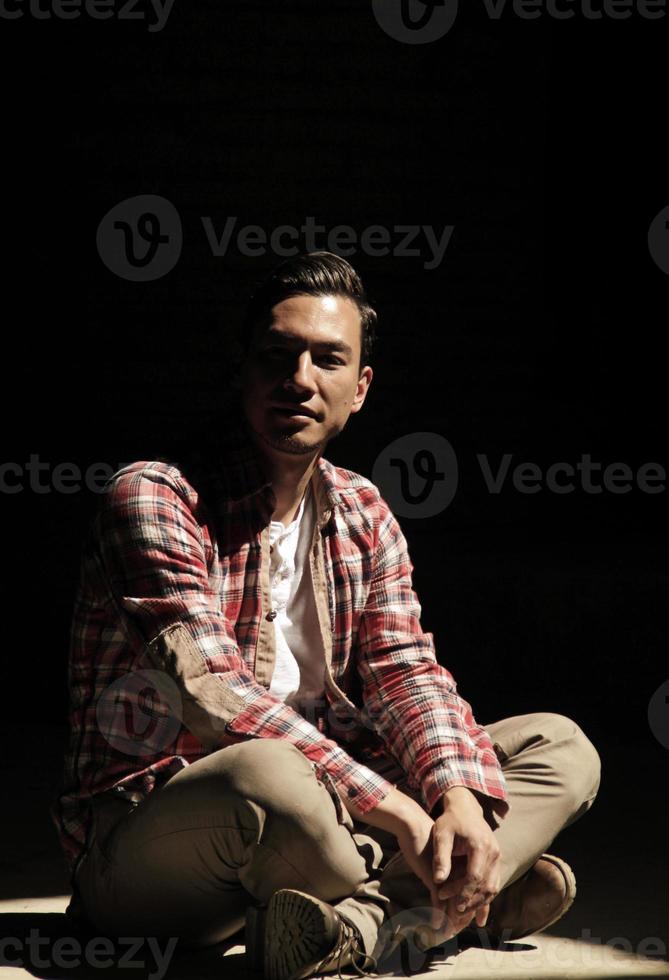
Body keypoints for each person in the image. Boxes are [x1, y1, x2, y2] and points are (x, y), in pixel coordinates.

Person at [51, 251, 601, 980]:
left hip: (333, 814)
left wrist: (455, 796)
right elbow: (211, 694)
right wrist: (403, 815)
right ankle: (457, 903)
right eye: (277, 356)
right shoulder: (153, 497)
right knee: (268, 772)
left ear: (360, 388)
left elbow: (406, 672)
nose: (299, 380)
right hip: (164, 833)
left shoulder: (363, 510)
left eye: (327, 359)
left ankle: (357, 926)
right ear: (240, 370)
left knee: (558, 747)